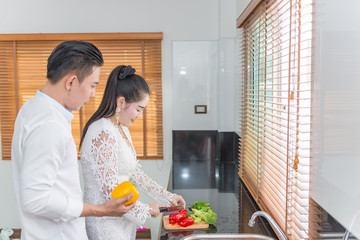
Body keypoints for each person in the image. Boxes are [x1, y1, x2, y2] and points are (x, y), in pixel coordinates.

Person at [11, 41, 135, 240]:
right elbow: (35, 199)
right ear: (71, 82)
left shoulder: (32, 109)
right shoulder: (49, 124)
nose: (93, 94)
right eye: (92, 86)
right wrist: (100, 210)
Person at [79, 65, 186, 240]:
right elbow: (110, 189)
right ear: (121, 102)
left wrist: (168, 196)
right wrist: (145, 209)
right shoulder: (102, 131)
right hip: (105, 223)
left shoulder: (120, 129)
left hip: (122, 218)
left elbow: (133, 172)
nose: (139, 115)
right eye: (138, 109)